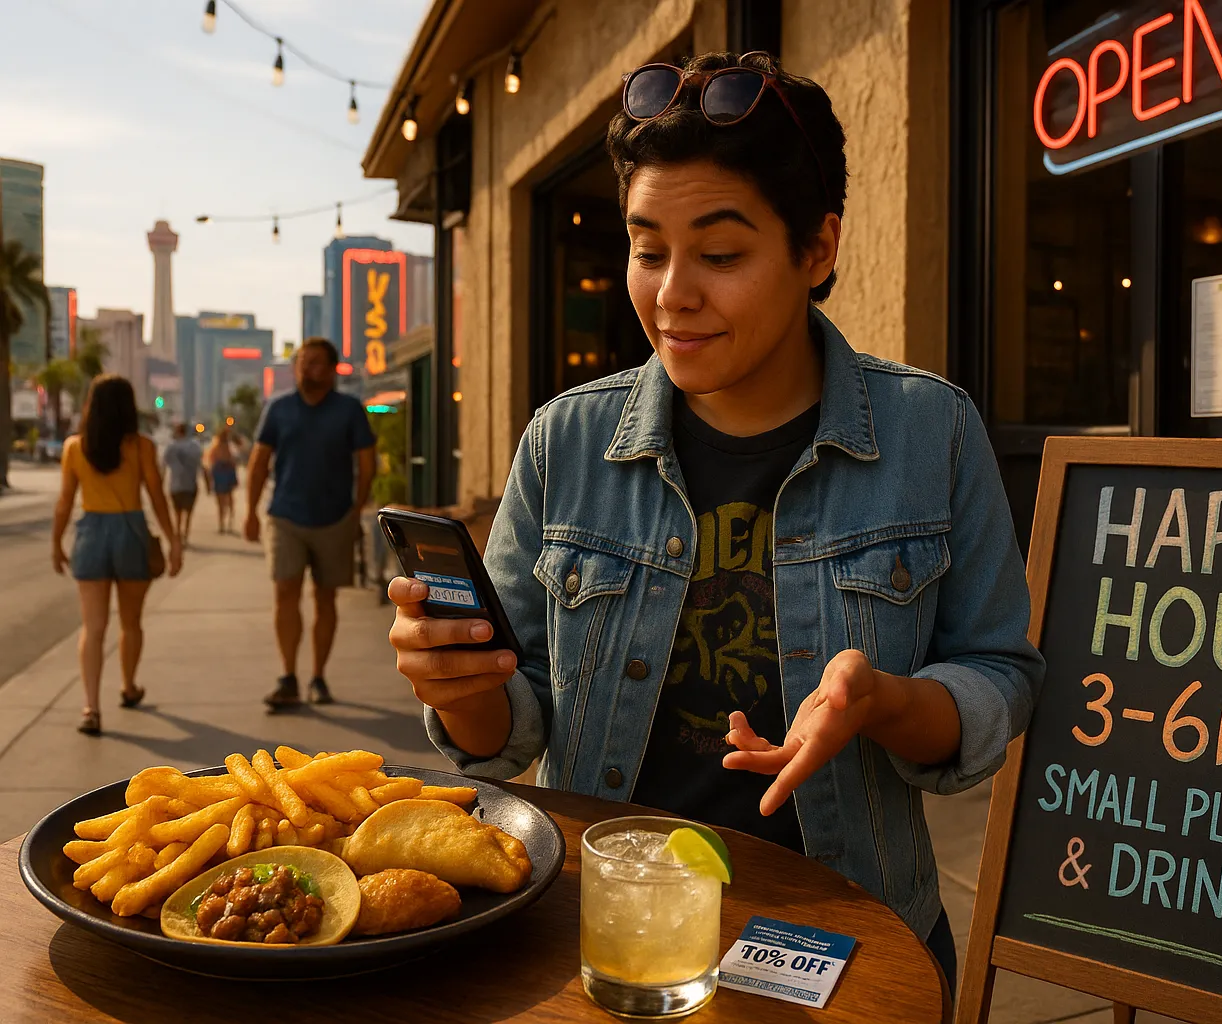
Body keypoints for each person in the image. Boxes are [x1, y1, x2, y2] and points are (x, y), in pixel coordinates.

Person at [386, 51, 1044, 994]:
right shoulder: (564, 442)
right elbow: (514, 726)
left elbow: (998, 672)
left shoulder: (928, 431)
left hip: (850, 936)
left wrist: (882, 703)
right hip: (609, 932)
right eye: (647, 248)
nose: (671, 293)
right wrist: (457, 683)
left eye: (721, 254)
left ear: (817, 250)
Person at [244, 338, 376, 709]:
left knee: (325, 597)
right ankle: (288, 676)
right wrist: (250, 511)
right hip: (285, 515)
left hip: (334, 518)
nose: (306, 369)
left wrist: (357, 507)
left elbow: (367, 460)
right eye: (302, 362)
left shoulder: (348, 410)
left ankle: (318, 676)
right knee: (284, 592)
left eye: (316, 363)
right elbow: (258, 461)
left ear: (332, 369)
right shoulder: (278, 408)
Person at [50, 375, 183, 735]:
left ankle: (91, 707)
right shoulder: (141, 447)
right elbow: (157, 496)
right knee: (130, 622)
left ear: (91, 406)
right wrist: (173, 542)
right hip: (131, 532)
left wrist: (56, 542)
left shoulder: (75, 447)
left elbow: (65, 502)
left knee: (92, 627)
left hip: (90, 533)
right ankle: (128, 686)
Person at [160, 422, 204, 546]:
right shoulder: (194, 446)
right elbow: (201, 466)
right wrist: (208, 482)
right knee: (188, 513)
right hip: (190, 484)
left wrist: (161, 482)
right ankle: (185, 535)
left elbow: (163, 466)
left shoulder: (171, 447)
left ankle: (178, 534)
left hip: (175, 485)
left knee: (177, 513)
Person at [205, 425, 242, 534]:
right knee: (227, 500)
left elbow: (211, 462)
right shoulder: (223, 447)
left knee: (223, 501)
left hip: (222, 473)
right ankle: (226, 523)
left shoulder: (218, 446)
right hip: (224, 473)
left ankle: (224, 524)